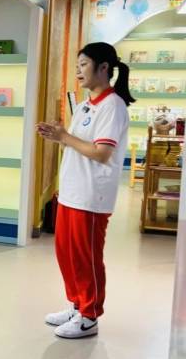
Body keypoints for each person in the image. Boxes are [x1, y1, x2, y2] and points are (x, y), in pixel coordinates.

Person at [36, 42, 133, 339]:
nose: (78, 71)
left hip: (92, 196)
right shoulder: (85, 105)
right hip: (71, 192)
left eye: (83, 65)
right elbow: (78, 144)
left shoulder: (112, 106)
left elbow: (102, 153)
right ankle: (77, 305)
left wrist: (65, 136)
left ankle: (90, 315)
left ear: (103, 68)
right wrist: (59, 136)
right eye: (77, 65)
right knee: (67, 254)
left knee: (85, 257)